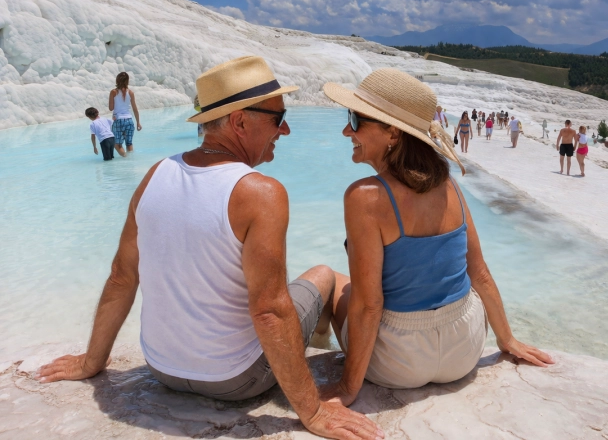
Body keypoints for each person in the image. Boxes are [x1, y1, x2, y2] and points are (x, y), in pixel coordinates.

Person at [38, 57, 382, 440]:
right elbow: (268, 311)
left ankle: (312, 339)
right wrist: (314, 412)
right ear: (238, 122)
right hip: (236, 380)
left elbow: (122, 276)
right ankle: (320, 343)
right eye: (277, 117)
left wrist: (92, 361)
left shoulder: (155, 174)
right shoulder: (261, 192)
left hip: (161, 369)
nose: (284, 130)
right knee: (324, 276)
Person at [320, 68, 553, 403]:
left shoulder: (364, 197)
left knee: (332, 284)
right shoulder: (450, 185)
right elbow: (480, 273)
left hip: (398, 363)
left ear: (393, 134)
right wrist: (507, 341)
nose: (346, 130)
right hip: (465, 350)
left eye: (355, 121)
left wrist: (347, 388)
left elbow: (370, 305)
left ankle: (322, 347)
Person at [109, 72, 142, 155]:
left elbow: (111, 108)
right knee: (129, 143)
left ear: (117, 80)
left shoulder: (113, 92)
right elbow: (135, 109)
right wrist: (138, 122)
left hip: (118, 120)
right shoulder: (130, 93)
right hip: (129, 120)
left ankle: (125, 158)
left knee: (117, 144)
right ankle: (130, 162)